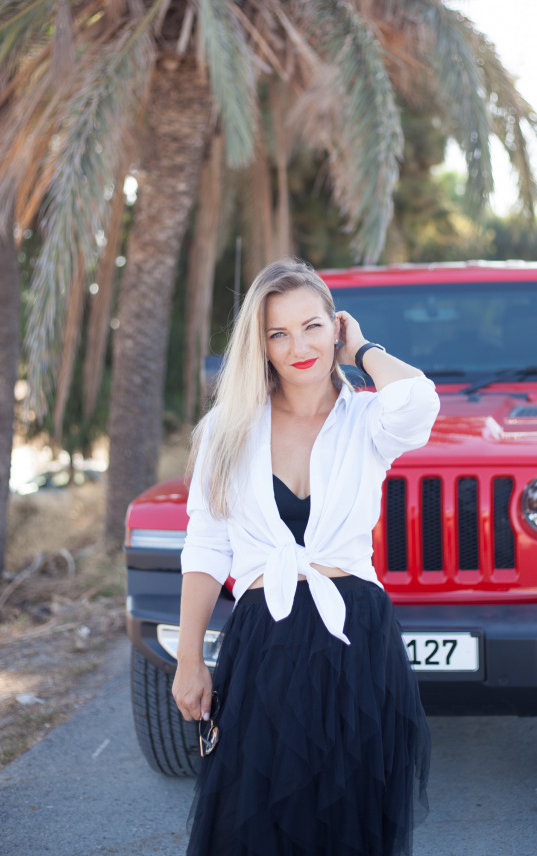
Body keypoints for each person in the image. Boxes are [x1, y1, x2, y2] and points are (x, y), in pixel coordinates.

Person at [172, 257, 440, 856]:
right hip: (263, 641)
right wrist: (190, 658)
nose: (299, 347)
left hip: (355, 640)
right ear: (261, 345)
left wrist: (362, 349)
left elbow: (418, 401)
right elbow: (207, 545)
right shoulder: (225, 429)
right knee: (251, 822)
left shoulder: (368, 419)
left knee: (348, 824)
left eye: (312, 326)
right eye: (279, 333)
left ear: (335, 326)